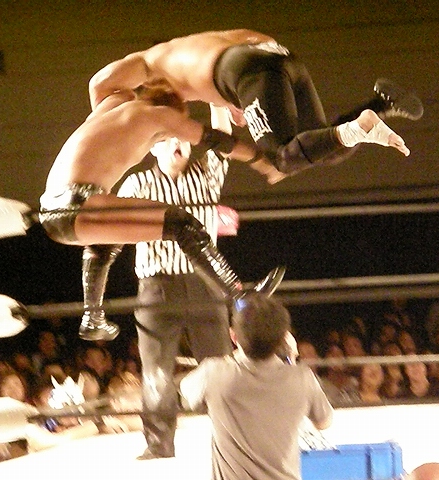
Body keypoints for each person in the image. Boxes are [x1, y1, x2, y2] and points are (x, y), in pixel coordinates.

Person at [38, 84, 284, 341]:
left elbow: (99, 83)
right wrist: (262, 160)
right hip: (86, 208)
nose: (176, 136)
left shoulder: (114, 108)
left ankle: (92, 317)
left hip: (54, 209)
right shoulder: (157, 117)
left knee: (106, 239)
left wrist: (215, 99)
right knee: (183, 223)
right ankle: (240, 295)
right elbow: (215, 139)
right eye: (171, 132)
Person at [115, 104, 260, 460]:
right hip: (156, 284)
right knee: (156, 368)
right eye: (167, 138)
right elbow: (116, 225)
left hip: (202, 284)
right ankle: (158, 444)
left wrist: (217, 101)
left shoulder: (207, 174)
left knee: (219, 363)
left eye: (181, 137)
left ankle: (235, 437)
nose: (178, 143)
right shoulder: (137, 183)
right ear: (153, 147)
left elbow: (222, 140)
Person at [87, 29, 416, 183]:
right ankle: (380, 104)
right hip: (281, 58)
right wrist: (238, 99)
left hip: (248, 71)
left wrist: (101, 127)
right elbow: (251, 36)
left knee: (281, 160)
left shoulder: (146, 63)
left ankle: (362, 125)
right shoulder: (193, 48)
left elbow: (99, 83)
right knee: (321, 148)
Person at [179, 293, 333, 480]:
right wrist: (290, 358)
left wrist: (233, 356)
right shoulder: (302, 378)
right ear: (283, 338)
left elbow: (186, 393)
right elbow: (324, 422)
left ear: (233, 336)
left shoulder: (214, 372)